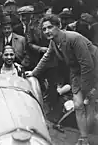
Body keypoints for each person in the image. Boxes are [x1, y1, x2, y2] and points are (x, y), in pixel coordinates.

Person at [26, 14, 98, 145]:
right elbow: (46, 58)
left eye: (50, 27)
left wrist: (89, 89)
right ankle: (84, 138)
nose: (47, 31)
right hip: (77, 72)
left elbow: (87, 65)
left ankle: (90, 134)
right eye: (44, 29)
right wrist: (33, 73)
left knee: (90, 102)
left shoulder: (74, 38)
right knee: (78, 105)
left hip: (94, 70)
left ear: (59, 26)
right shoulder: (54, 42)